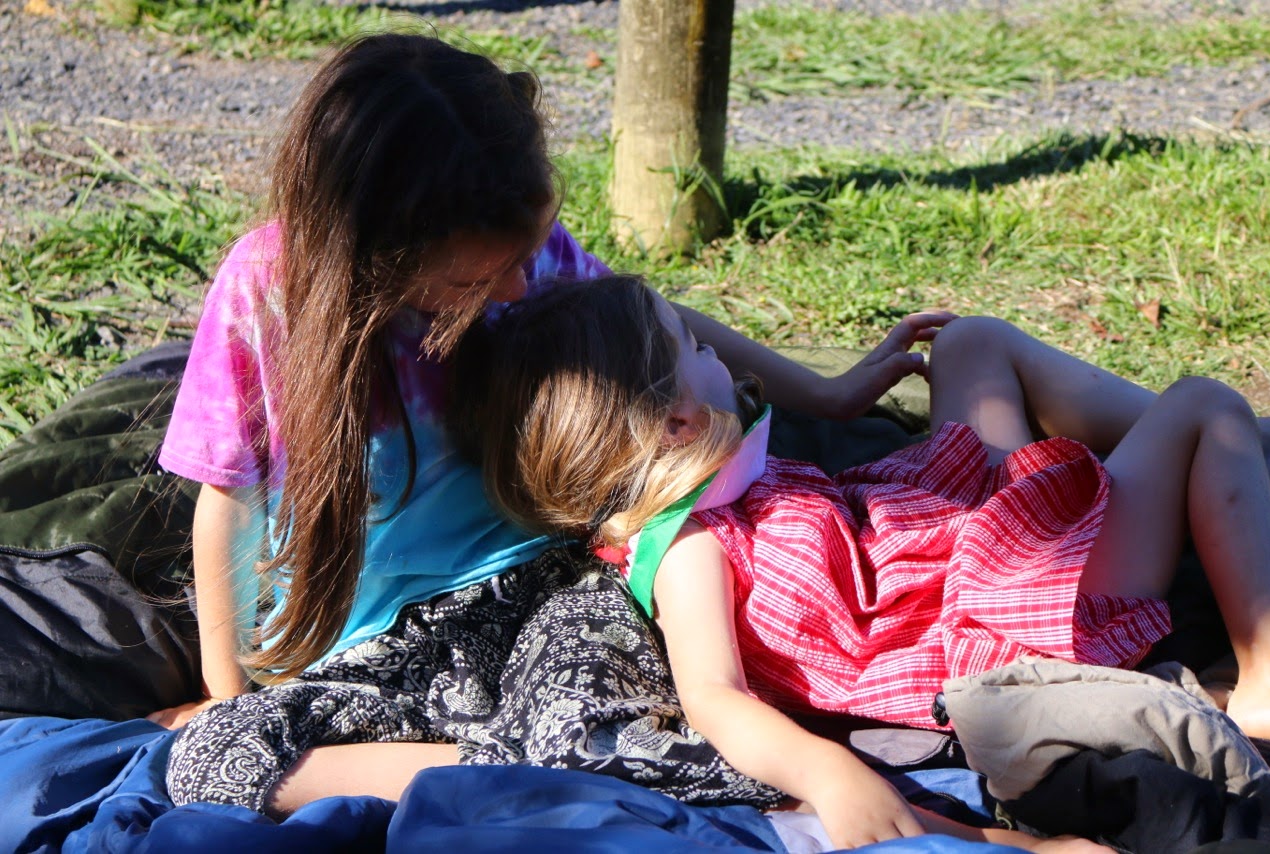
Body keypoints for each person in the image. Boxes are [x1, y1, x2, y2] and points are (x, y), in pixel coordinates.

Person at [154, 31, 912, 818]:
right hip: (370, 653)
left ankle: (532, 767)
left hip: (546, 591)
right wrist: (225, 694)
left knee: (592, 726)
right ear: (383, 250)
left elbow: (649, 324)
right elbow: (229, 500)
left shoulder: (514, 239)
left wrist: (825, 394)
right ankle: (532, 766)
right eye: (476, 281)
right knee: (207, 759)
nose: (520, 287)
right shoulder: (264, 294)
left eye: (524, 257)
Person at [448, 274, 1270, 850]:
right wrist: (830, 775)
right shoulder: (688, 547)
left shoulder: (708, 477)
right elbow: (713, 696)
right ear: (675, 423)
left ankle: (1205, 468)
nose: (721, 359)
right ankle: (1266, 674)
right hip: (1004, 607)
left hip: (942, 542)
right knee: (1205, 406)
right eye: (694, 348)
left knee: (972, 344)